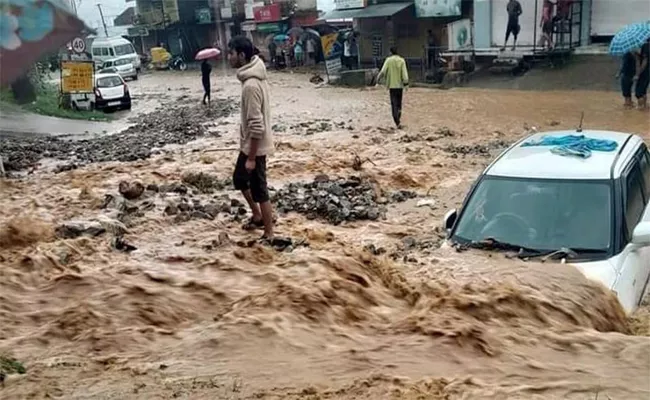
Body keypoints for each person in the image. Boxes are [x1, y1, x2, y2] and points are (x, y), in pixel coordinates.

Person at [228, 36, 275, 241]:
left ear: (241, 55)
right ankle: (256, 215)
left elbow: (257, 126)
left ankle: (269, 233)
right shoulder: (253, 77)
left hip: (255, 147)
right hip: (249, 145)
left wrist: (252, 157)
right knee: (239, 179)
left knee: (259, 189)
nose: (228, 57)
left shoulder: (251, 85)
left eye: (231, 53)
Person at [376, 46, 409, 128]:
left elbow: (383, 71)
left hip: (391, 85)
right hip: (400, 86)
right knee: (399, 103)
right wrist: (406, 84)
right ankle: (398, 117)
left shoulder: (388, 60)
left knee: (393, 103)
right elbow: (405, 75)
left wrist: (377, 79)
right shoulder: (402, 60)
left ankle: (396, 120)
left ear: (391, 52)